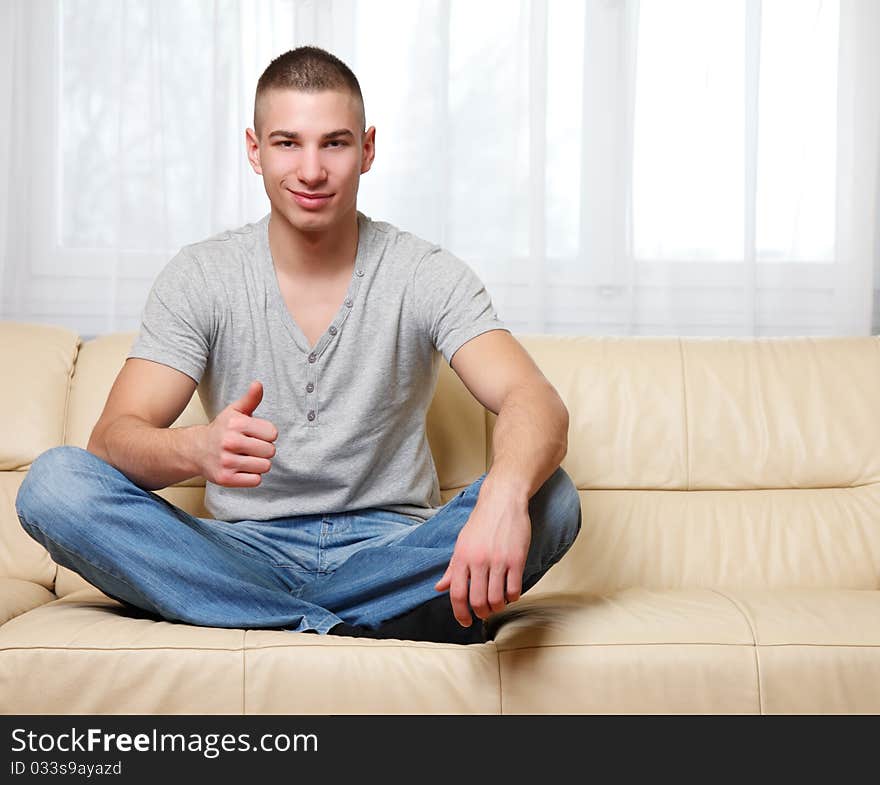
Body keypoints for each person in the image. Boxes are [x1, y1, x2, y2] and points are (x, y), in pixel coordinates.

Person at [15, 46, 581, 645]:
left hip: (393, 550)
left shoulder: (424, 272)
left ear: (366, 150)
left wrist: (505, 494)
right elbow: (111, 441)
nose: (311, 170)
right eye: (288, 143)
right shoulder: (202, 275)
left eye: (334, 143)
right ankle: (350, 622)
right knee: (55, 484)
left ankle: (259, 616)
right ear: (255, 152)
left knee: (553, 499)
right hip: (240, 552)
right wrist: (196, 450)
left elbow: (533, 400)